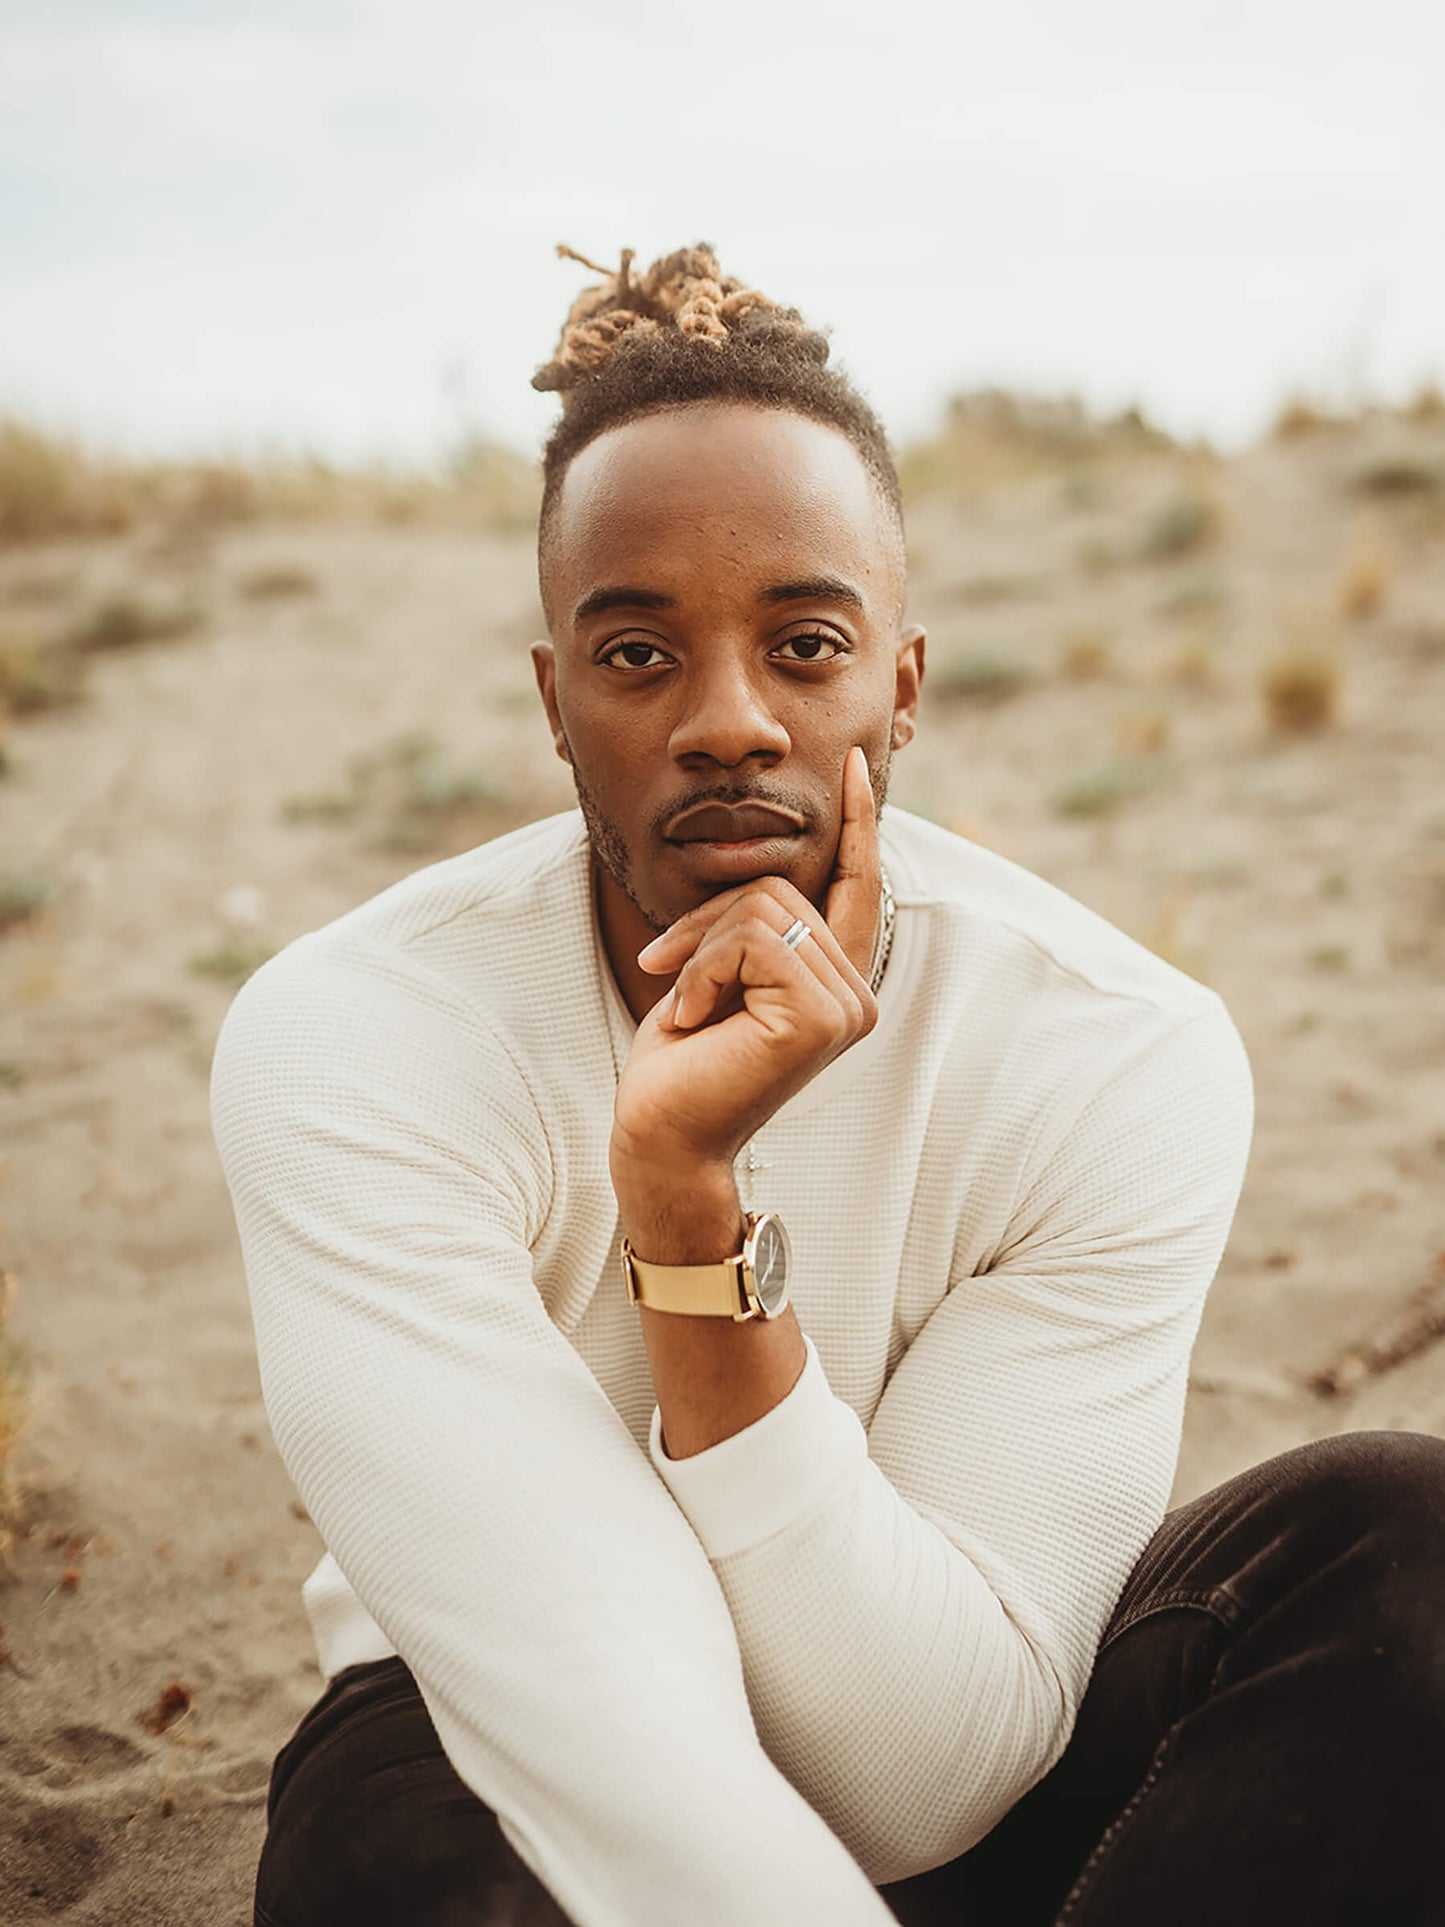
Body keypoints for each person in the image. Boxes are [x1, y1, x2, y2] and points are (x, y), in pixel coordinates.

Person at [211, 244, 1444, 1927]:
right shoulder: (359, 1036)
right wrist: (671, 1185)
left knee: (1400, 1538)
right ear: (555, 703)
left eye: (803, 644)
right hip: (505, 1752)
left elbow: (922, 1774)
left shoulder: (1114, 1049)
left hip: (956, 1742)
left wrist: (691, 1227)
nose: (728, 721)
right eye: (636, 655)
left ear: (901, 688)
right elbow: (590, 1695)